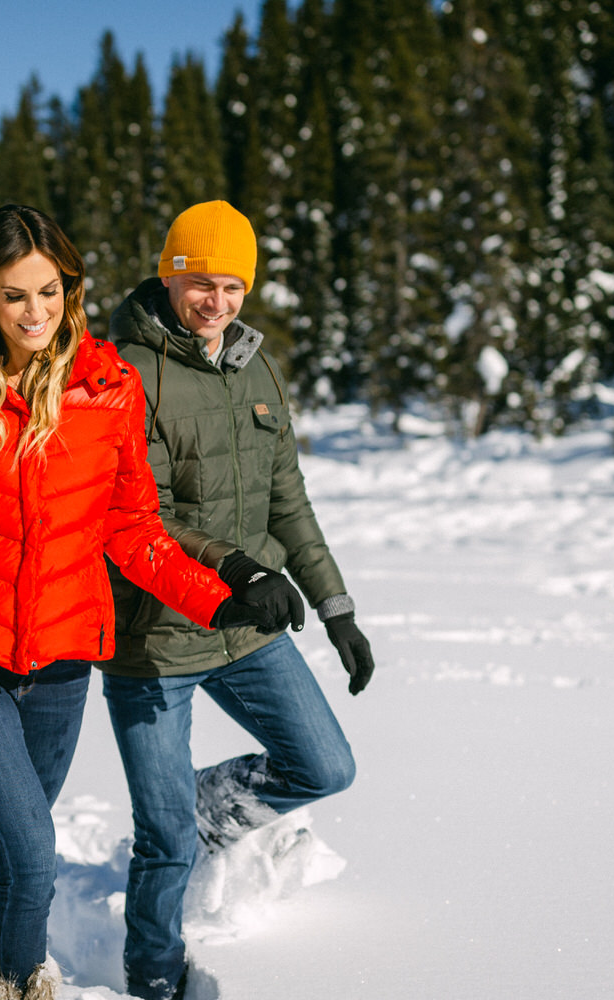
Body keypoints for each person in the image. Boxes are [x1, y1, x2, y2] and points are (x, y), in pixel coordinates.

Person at [0, 204, 296, 1000]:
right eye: (14, 296)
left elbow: (134, 529)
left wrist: (220, 601)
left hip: (64, 656)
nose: (36, 313)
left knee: (9, 843)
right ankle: (7, 984)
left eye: (51, 291)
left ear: (71, 290)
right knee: (34, 850)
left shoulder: (109, 387)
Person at [101, 200, 377, 1000]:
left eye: (231, 285)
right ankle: (152, 974)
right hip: (152, 638)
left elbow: (287, 499)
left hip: (247, 629)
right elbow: (141, 515)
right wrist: (243, 573)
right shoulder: (125, 371)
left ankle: (204, 806)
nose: (214, 301)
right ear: (169, 275)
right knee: (159, 839)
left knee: (324, 765)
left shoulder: (255, 367)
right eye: (198, 282)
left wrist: (337, 608)